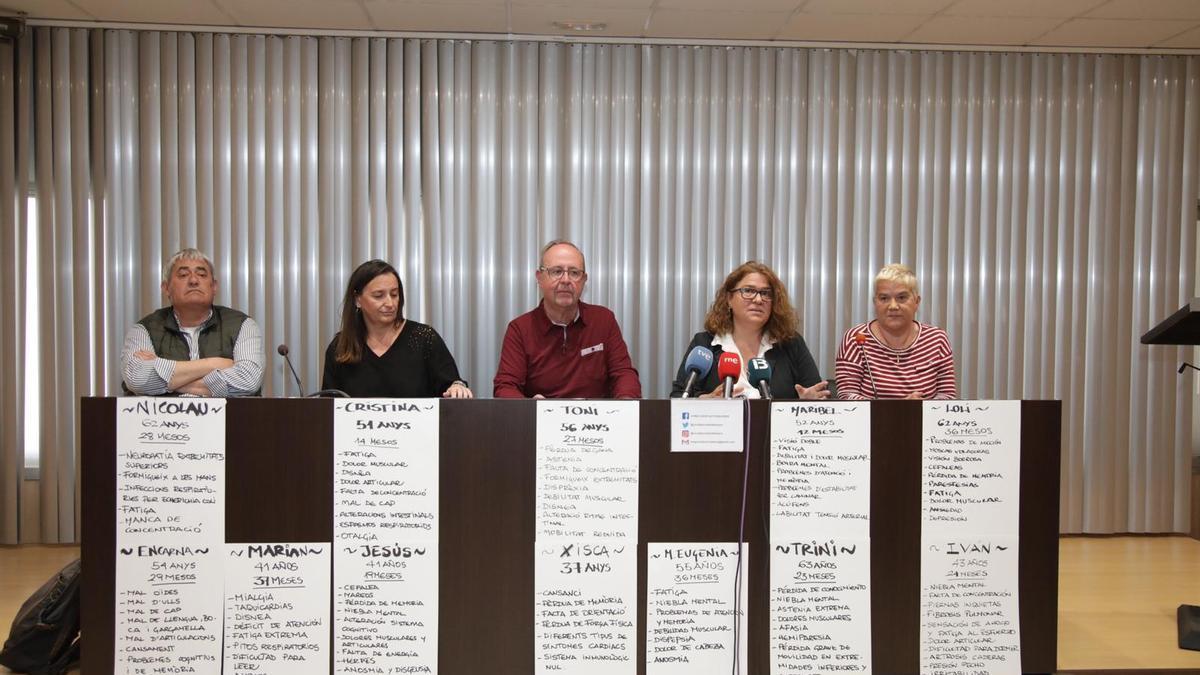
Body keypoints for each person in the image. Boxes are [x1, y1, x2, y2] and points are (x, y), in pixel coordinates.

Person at [493, 240, 641, 399]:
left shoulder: (603, 320)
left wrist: (626, 407)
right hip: (544, 421)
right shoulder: (520, 329)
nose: (565, 280)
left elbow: (623, 373)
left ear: (584, 280)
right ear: (539, 278)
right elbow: (506, 387)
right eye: (556, 271)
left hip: (595, 421)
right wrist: (530, 409)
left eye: (574, 273)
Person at [670, 261, 829, 399]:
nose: (758, 299)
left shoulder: (790, 344)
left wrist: (808, 401)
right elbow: (678, 397)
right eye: (748, 291)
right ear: (729, 299)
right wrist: (706, 400)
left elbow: (817, 391)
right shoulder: (705, 344)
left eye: (766, 293)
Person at [121, 248, 264, 396]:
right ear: (166, 288)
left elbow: (249, 380)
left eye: (201, 274)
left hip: (228, 419)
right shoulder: (144, 329)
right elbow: (137, 378)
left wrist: (166, 375)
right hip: (166, 419)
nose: (194, 280)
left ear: (214, 287)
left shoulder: (241, 325)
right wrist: (214, 364)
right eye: (183, 275)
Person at [322, 259, 472, 398]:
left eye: (394, 294)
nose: (390, 303)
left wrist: (457, 387)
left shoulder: (424, 338)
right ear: (357, 300)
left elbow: (452, 385)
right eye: (378, 296)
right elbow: (327, 409)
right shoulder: (340, 348)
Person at [834, 263, 957, 399]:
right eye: (884, 298)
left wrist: (920, 410)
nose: (893, 306)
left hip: (923, 420)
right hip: (870, 421)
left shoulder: (936, 339)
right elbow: (847, 396)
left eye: (902, 298)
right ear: (875, 303)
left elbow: (947, 396)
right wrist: (897, 410)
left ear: (917, 302)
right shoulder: (856, 339)